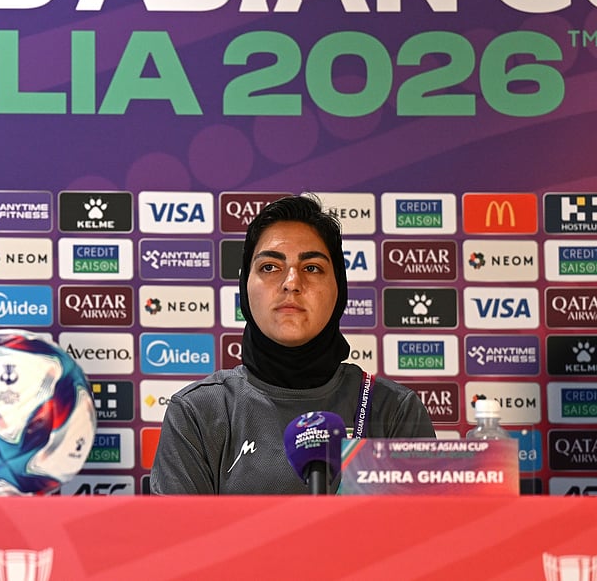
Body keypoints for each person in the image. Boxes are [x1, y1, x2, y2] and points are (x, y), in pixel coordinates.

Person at [151, 195, 434, 494]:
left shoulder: (393, 411)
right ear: (244, 287)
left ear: (339, 287)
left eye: (312, 268)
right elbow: (180, 540)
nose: (291, 282)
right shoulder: (199, 412)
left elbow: (431, 537)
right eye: (270, 267)